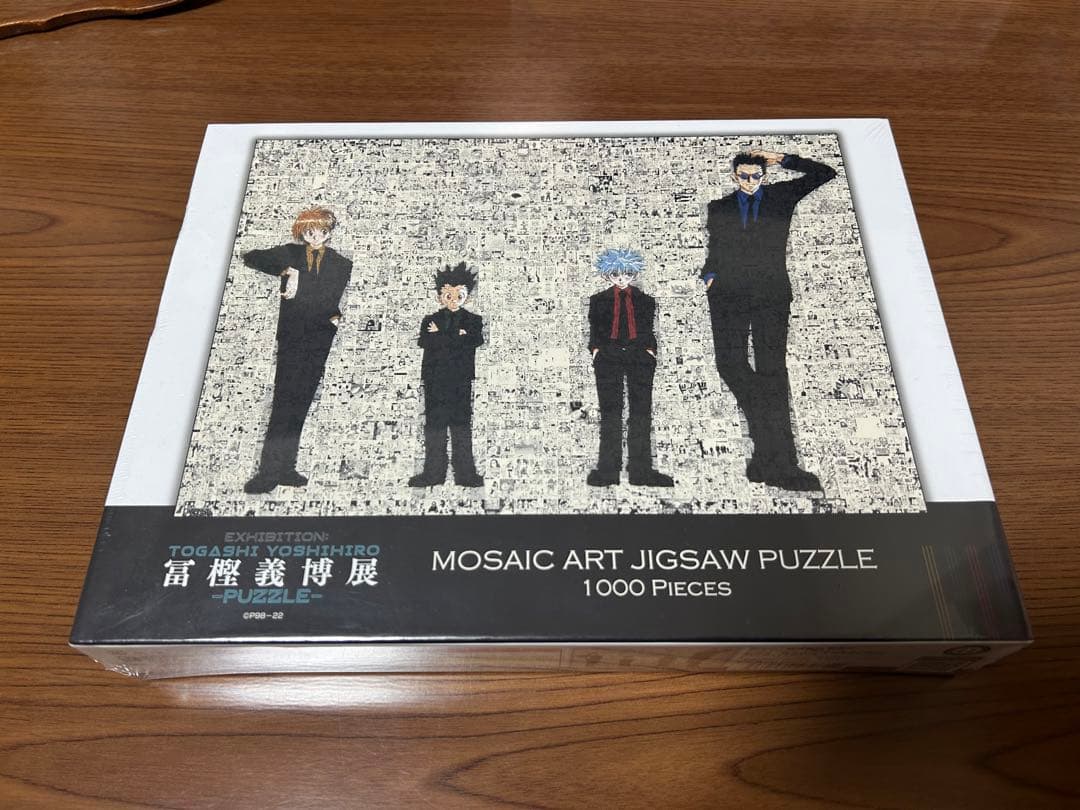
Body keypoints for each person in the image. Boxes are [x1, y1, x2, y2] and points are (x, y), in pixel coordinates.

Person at [701, 149, 836, 492]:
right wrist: (710, 275)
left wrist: (783, 159)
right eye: (743, 176)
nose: (750, 182)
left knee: (771, 372)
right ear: (734, 176)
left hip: (770, 295)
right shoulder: (719, 207)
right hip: (727, 294)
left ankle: (782, 466)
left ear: (764, 175)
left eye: (756, 176)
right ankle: (765, 455)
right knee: (730, 364)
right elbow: (716, 247)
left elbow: (825, 173)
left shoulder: (781, 197)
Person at [241, 207, 351, 494]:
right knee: (283, 403)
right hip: (292, 338)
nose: (315, 236)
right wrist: (286, 270)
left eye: (322, 231)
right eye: (309, 231)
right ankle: (268, 473)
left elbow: (325, 297)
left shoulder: (341, 263)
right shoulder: (291, 253)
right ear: (302, 232)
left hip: (319, 338)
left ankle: (287, 468)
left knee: (301, 403)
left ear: (329, 232)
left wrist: (331, 318)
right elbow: (250, 256)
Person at [587, 249, 674, 487]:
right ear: (608, 275)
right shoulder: (598, 300)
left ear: (634, 274)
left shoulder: (646, 300)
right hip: (608, 357)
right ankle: (608, 471)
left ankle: (640, 471)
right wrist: (597, 351)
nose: (621, 279)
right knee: (610, 413)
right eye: (616, 274)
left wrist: (649, 351)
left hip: (640, 356)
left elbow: (647, 327)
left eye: (626, 274)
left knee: (641, 412)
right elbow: (595, 329)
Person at [409, 262, 485, 488]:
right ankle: (433, 474)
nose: (453, 300)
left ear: (467, 297)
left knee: (461, 425)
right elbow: (425, 342)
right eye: (448, 295)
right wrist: (456, 336)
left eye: (459, 295)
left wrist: (441, 334)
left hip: (460, 379)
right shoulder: (430, 319)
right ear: (440, 296)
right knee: (435, 425)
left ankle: (465, 474)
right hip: (435, 379)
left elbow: (474, 341)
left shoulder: (473, 321)